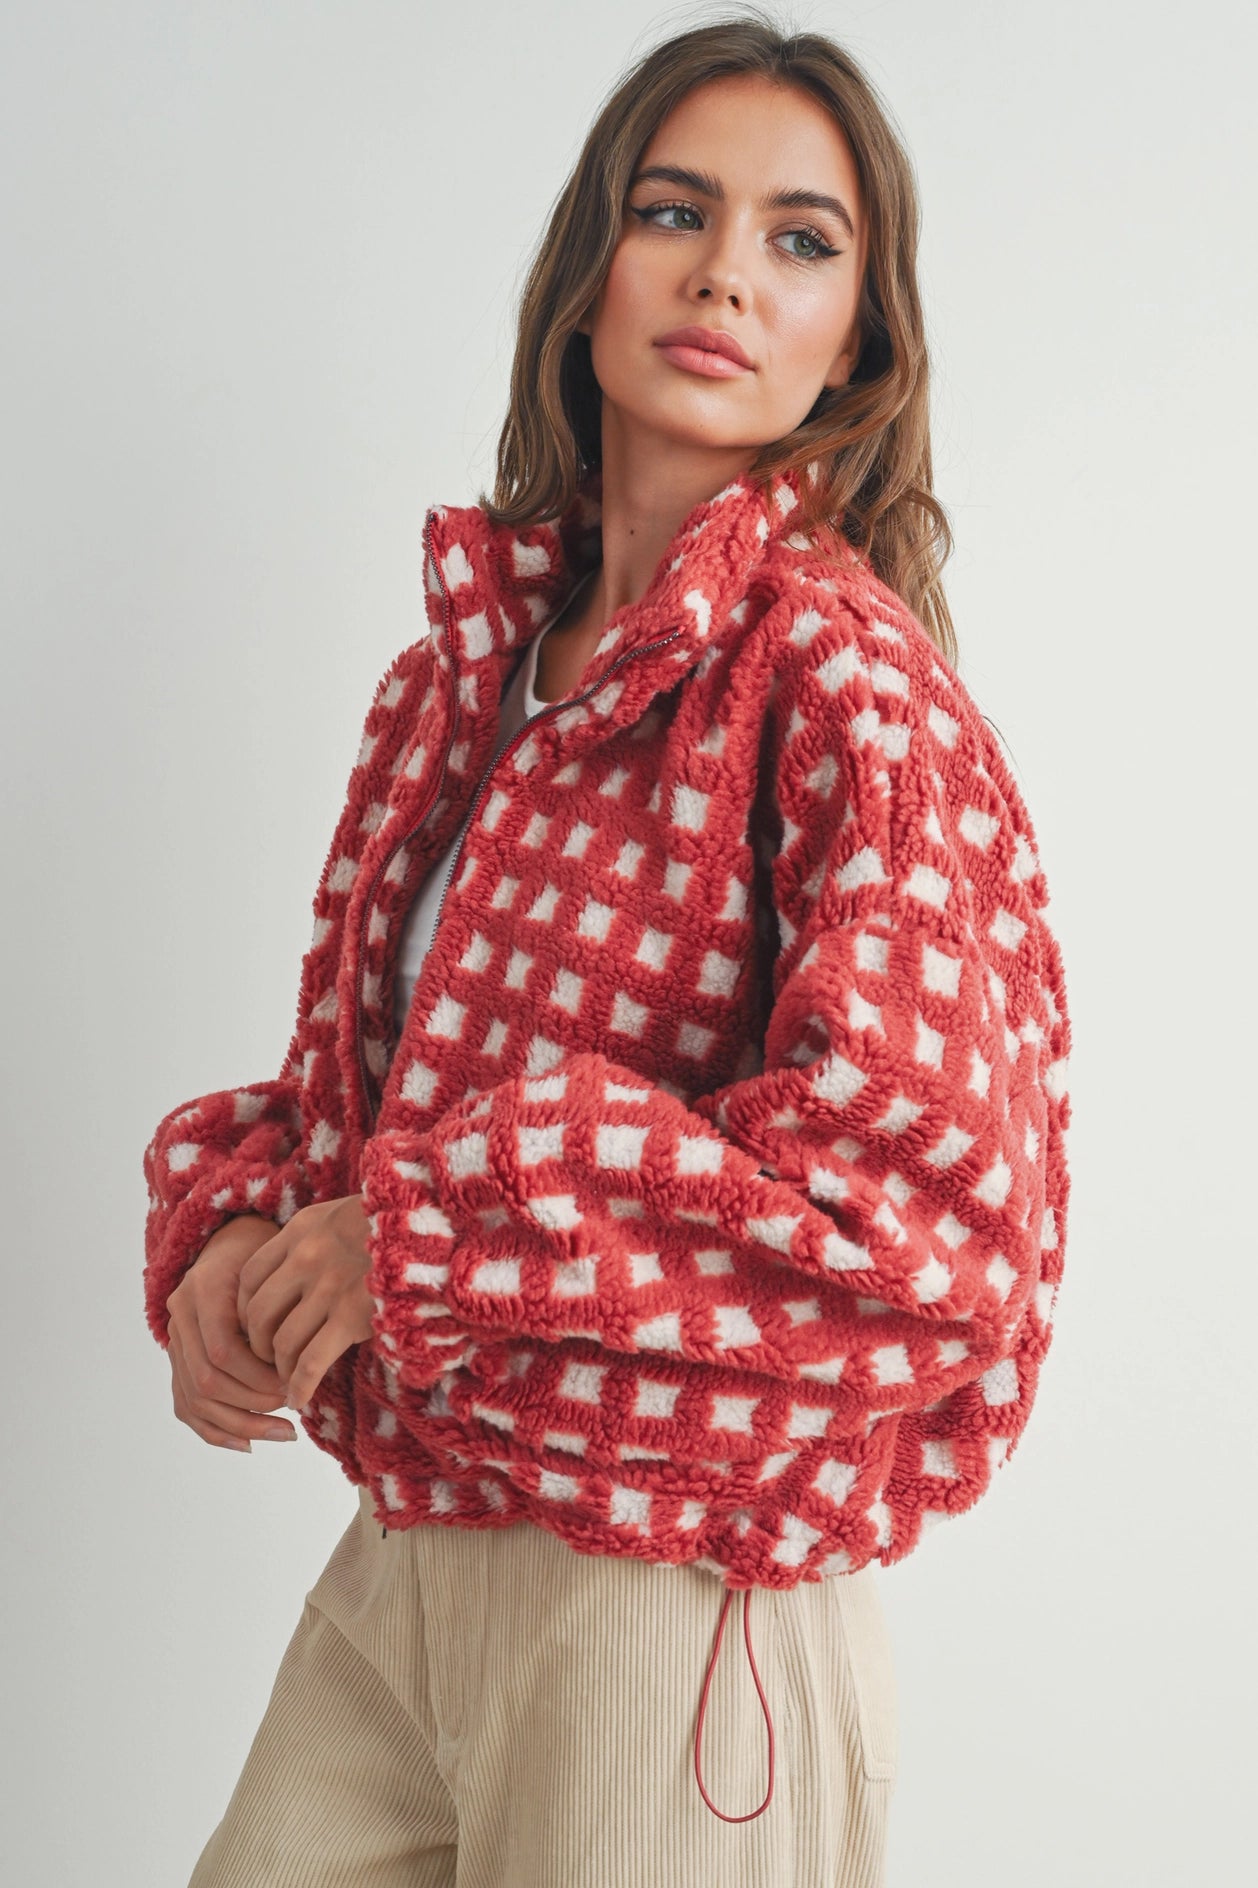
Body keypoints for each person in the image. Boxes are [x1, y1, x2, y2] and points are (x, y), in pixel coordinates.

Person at [142, 13, 1071, 1887]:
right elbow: (358, 1116)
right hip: (408, 1563)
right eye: (674, 211)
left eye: (800, 240)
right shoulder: (452, 685)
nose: (726, 272)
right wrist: (239, 1245)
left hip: (672, 1610)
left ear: (854, 344)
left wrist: (430, 1232)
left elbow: (929, 1222)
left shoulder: (842, 683)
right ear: (589, 274)